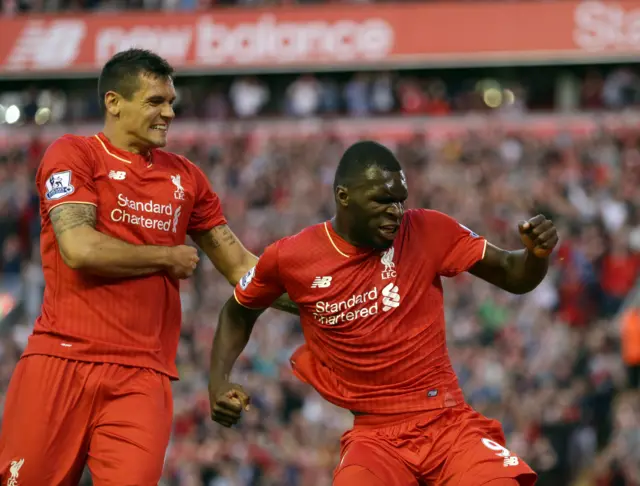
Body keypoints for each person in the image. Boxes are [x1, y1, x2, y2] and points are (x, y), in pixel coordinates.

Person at [0, 48, 297, 486]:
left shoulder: (187, 178)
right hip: (61, 360)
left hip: (142, 377)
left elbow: (239, 267)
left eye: (171, 102)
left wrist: (324, 300)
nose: (169, 112)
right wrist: (164, 255)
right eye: (156, 101)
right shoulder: (74, 155)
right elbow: (79, 248)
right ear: (114, 102)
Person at [209, 141, 560, 486]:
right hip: (375, 437)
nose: (395, 211)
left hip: (447, 422)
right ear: (344, 197)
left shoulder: (426, 229)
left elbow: (514, 275)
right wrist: (219, 382)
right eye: (382, 201)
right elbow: (239, 310)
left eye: (400, 201)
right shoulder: (290, 257)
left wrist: (536, 256)